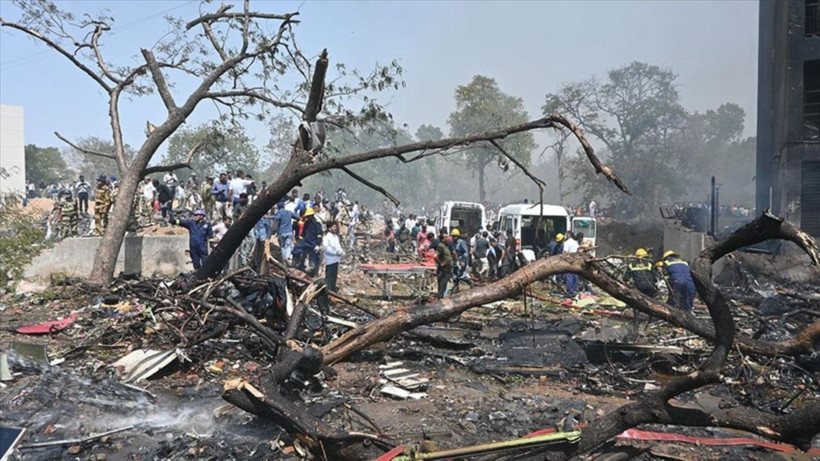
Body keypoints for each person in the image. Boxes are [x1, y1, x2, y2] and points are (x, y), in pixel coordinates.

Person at [625, 248, 659, 321]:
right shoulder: (649, 264)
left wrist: (629, 285)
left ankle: (637, 321)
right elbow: (655, 277)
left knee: (636, 303)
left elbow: (626, 278)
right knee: (650, 303)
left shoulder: (631, 265)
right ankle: (650, 321)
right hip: (650, 286)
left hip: (639, 287)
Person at [292, 207, 323, 276]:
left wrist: (318, 244)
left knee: (313, 258)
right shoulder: (306, 223)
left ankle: (313, 272)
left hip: (313, 243)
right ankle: (297, 264)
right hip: (305, 241)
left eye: (308, 216)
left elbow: (319, 234)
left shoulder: (317, 223)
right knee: (297, 250)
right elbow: (303, 233)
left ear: (312, 216)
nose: (307, 217)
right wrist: (299, 240)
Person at [323, 221, 345, 292]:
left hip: (336, 260)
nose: (335, 228)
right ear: (329, 228)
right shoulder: (327, 237)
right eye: (334, 227)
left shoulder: (335, 237)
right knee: (329, 277)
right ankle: (328, 291)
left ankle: (332, 290)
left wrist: (341, 252)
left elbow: (338, 247)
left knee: (334, 276)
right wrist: (336, 253)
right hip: (330, 260)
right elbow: (326, 249)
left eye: (335, 227)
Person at [434, 231, 454, 299]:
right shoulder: (440, 246)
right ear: (442, 239)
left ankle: (441, 297)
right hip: (443, 269)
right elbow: (435, 256)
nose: (448, 238)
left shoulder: (446, 246)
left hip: (448, 269)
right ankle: (440, 299)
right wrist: (441, 263)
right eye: (446, 237)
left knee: (444, 285)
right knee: (442, 285)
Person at [562, 231, 580, 296]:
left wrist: (563, 260)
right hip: (577, 261)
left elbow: (565, 252)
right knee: (575, 276)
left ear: (568, 235)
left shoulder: (566, 243)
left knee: (569, 276)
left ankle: (570, 291)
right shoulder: (576, 242)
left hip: (569, 261)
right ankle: (574, 290)